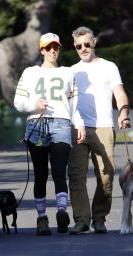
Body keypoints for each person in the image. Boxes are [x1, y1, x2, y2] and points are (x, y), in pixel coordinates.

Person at [14, 32, 85, 235]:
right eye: (48, 48)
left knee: (59, 171)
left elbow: (74, 104)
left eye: (56, 47)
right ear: (42, 50)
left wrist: (79, 123)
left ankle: (62, 212)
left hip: (61, 124)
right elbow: (18, 102)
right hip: (37, 124)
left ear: (59, 49)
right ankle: (41, 218)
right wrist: (33, 104)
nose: (53, 51)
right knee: (40, 174)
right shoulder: (30, 72)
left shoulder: (68, 72)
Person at [68, 26, 131, 234]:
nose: (83, 48)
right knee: (76, 175)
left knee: (107, 174)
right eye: (79, 46)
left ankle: (99, 217)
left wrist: (123, 112)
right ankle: (82, 219)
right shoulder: (71, 71)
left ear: (94, 42)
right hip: (78, 128)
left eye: (87, 44)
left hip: (104, 126)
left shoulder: (109, 67)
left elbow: (120, 93)